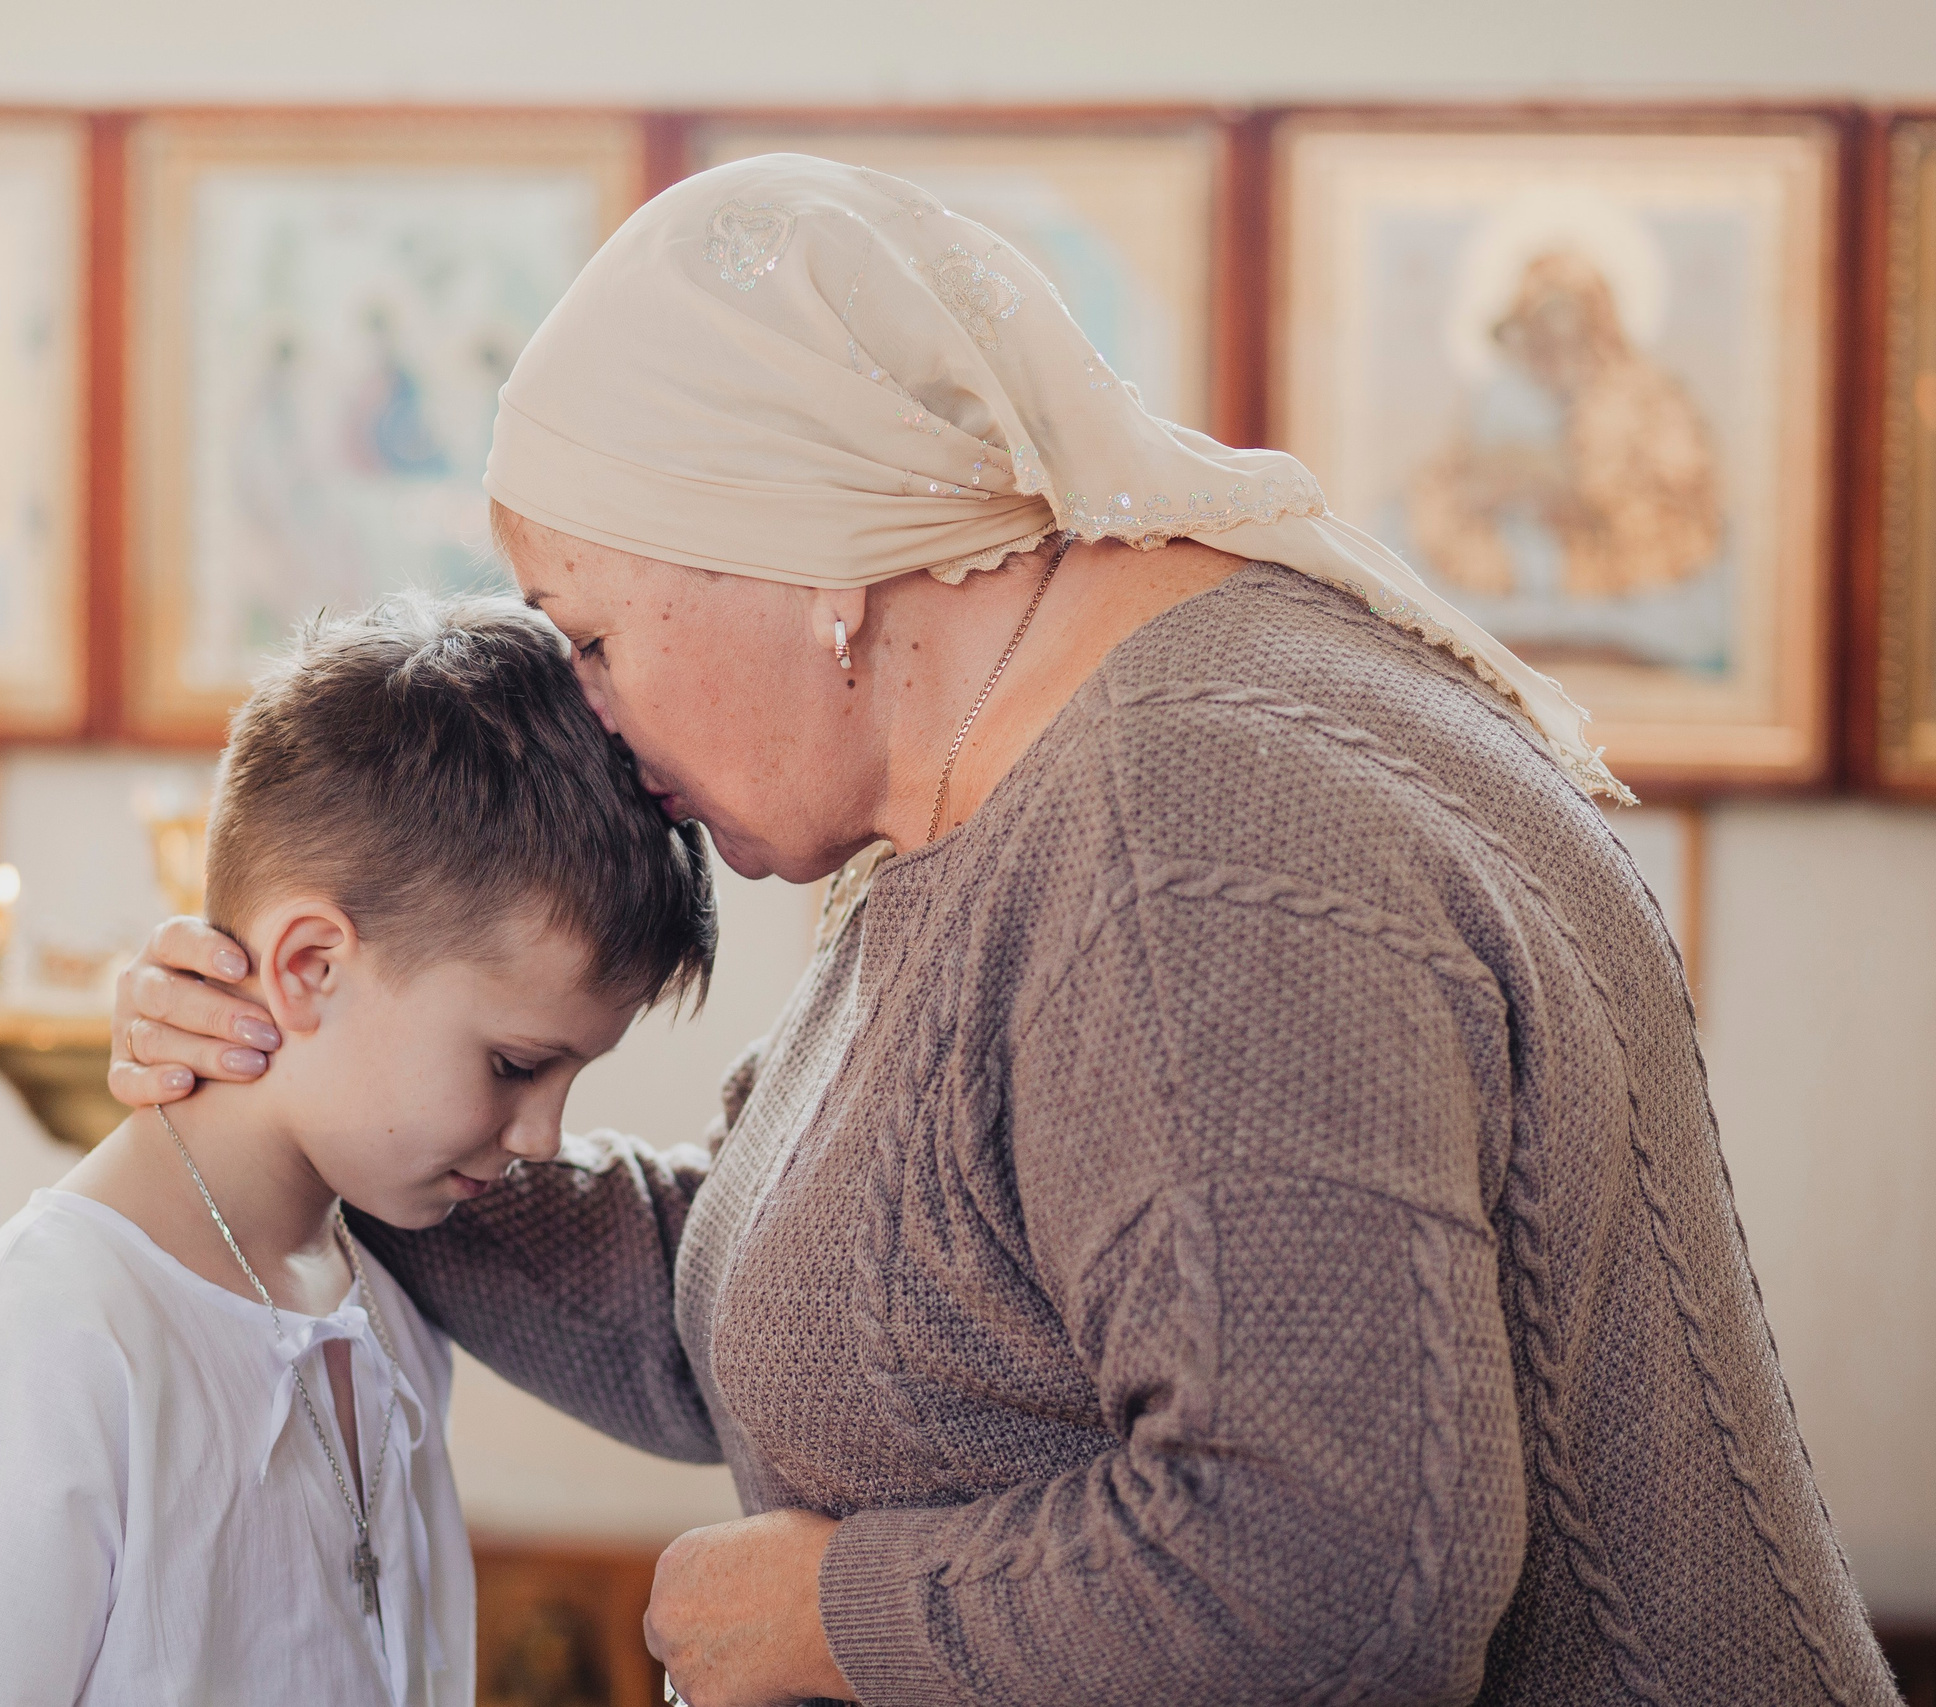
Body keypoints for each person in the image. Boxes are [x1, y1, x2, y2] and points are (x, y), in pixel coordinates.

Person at [108, 156, 1898, 1707]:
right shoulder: (985, 797)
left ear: (802, 565)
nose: (604, 727)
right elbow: (792, 1311)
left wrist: (816, 1612)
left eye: (591, 634)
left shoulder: (1187, 832)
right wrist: (322, 1095)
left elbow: (1339, 1573)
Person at [0, 594, 714, 1707]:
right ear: (307, 968)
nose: (542, 1138)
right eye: (511, 1066)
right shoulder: (59, 1341)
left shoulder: (380, 1293)